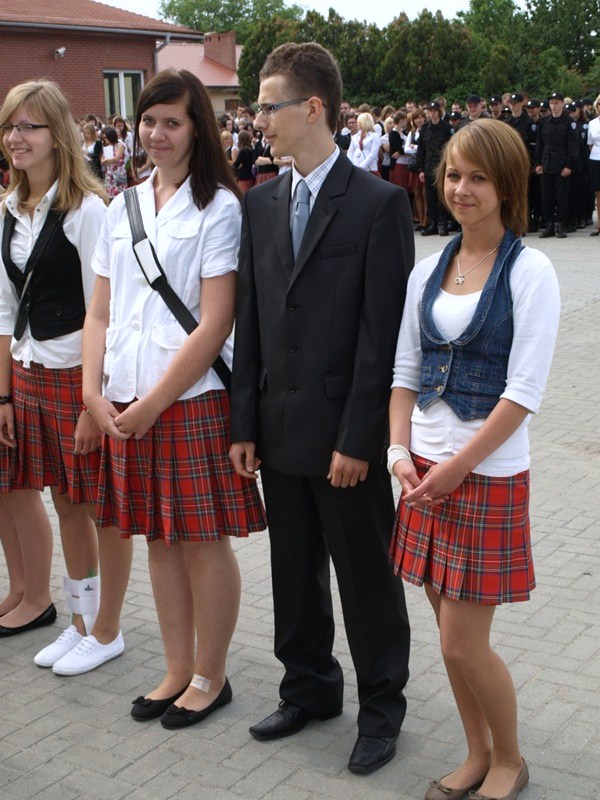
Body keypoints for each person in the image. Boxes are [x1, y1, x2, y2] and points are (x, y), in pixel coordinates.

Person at [229, 42, 413, 775]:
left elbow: (383, 336)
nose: (258, 120)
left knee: (366, 579)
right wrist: (244, 423)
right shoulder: (261, 203)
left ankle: (382, 709)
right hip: (278, 430)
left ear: (312, 108)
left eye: (267, 106)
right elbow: (251, 318)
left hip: (345, 438)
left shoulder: (378, 204)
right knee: (294, 572)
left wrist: (360, 438)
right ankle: (308, 688)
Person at [82, 68, 266, 727]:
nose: (157, 134)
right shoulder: (121, 205)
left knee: (201, 542)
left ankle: (211, 676)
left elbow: (215, 322)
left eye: (172, 122)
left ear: (197, 130)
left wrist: (153, 402)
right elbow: (99, 312)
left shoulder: (220, 207)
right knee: (159, 540)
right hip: (124, 400)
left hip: (189, 401)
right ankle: (175, 668)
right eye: (149, 121)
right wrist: (91, 390)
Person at [389, 119, 560, 800]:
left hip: (484, 475)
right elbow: (405, 372)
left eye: (479, 177)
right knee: (446, 632)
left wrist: (457, 465)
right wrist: (398, 451)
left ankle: (510, 760)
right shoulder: (427, 269)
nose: (462, 189)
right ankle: (476, 752)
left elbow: (524, 392)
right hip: (421, 472)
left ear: (507, 186)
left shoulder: (532, 270)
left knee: (463, 642)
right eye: (454, 175)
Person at [0, 79, 107, 647]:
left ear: (57, 133)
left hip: (72, 374)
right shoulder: (8, 209)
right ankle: (66, 612)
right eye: (9, 126)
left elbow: (102, 312)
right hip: (26, 371)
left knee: (76, 504)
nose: (15, 138)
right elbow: (4, 308)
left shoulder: (87, 211)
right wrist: (3, 394)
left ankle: (88, 623)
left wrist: (93, 401)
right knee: (42, 495)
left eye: (28, 127)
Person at [534, 91, 579, 238]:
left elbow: (573, 147)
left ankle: (560, 225)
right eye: (551, 103)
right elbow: (539, 145)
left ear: (562, 104)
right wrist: (537, 163)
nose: (553, 106)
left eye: (556, 103)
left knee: (561, 197)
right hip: (546, 165)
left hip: (561, 166)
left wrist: (569, 166)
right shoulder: (543, 122)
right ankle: (550, 224)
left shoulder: (569, 123)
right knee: (546, 197)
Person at [417, 101, 452, 235]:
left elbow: (450, 148)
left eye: (434, 111)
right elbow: (421, 150)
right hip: (428, 166)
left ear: (439, 112)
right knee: (430, 197)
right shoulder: (425, 129)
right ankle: (433, 224)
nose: (432, 113)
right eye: (430, 111)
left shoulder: (446, 128)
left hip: (442, 166)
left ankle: (444, 224)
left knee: (442, 196)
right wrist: (421, 169)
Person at [101, 126, 127, 200]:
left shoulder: (120, 145)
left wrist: (106, 161)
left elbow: (117, 158)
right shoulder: (107, 147)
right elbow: (102, 160)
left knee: (121, 193)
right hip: (110, 172)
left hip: (119, 171)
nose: (105, 139)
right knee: (110, 193)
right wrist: (105, 161)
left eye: (106, 138)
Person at [587, 93, 600, 236]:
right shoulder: (592, 123)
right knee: (598, 192)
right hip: (596, 158)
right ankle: (599, 224)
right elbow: (590, 144)